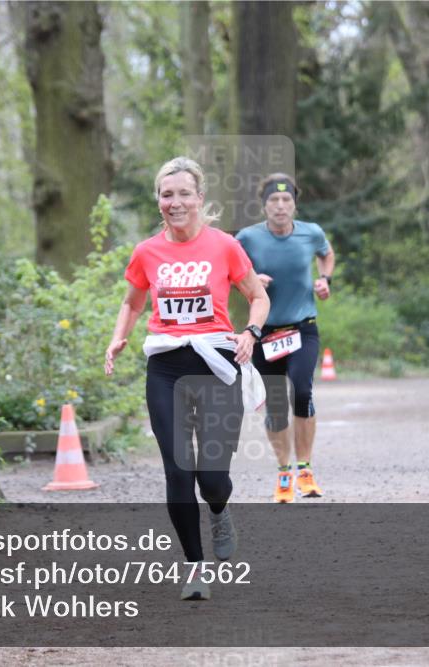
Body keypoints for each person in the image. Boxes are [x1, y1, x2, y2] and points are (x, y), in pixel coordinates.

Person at [105, 156, 269, 601]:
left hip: (216, 363)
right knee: (178, 472)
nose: (174, 202)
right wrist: (118, 339)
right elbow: (132, 303)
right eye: (166, 194)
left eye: (183, 194)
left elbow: (257, 295)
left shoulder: (224, 246)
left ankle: (219, 509)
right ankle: (195, 567)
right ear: (158, 201)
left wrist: (251, 332)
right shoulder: (146, 252)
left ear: (200, 199)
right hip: (166, 367)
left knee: (212, 476)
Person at [235, 173, 335, 503]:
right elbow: (229, 270)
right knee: (276, 404)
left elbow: (326, 252)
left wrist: (325, 280)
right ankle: (284, 472)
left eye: (286, 200)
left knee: (303, 388)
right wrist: (250, 281)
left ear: (294, 204)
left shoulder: (311, 233)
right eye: (273, 201)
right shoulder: (248, 238)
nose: (280, 206)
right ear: (264, 206)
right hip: (265, 332)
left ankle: (305, 469)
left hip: (302, 328)